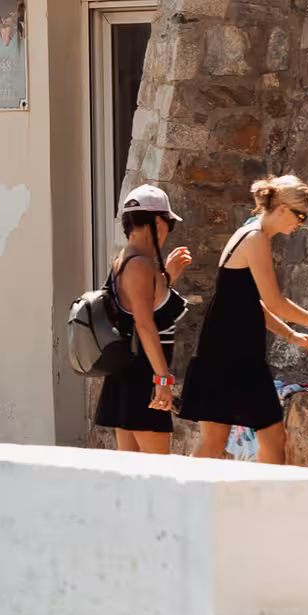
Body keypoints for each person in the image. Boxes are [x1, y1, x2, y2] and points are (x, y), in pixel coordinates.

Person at [178, 175, 308, 463]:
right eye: (299, 215)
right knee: (227, 443)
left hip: (233, 353)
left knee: (248, 441)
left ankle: (256, 503)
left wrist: (291, 336)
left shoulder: (251, 232)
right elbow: (275, 302)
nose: (301, 223)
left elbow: (250, 302)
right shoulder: (255, 239)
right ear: (281, 208)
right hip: (230, 356)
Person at [91, 186, 194, 454]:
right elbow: (145, 325)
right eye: (169, 223)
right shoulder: (141, 265)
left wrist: (167, 277)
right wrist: (162, 379)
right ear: (158, 222)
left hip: (126, 376)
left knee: (132, 477)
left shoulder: (124, 261)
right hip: (142, 379)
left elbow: (140, 308)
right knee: (159, 477)